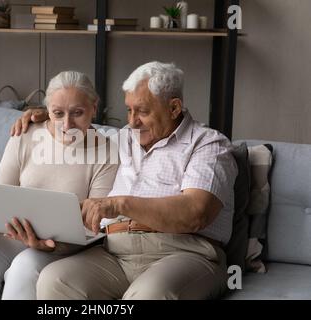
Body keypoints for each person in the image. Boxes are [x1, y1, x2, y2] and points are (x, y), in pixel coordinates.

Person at [12, 61, 238, 300]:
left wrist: (118, 204)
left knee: (150, 294)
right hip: (114, 252)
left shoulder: (208, 144)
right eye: (129, 110)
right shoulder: (121, 140)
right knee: (55, 281)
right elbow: (76, 133)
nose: (132, 121)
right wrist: (47, 116)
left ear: (174, 108)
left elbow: (196, 212)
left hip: (183, 252)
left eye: (142, 111)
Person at [0, 71, 118, 300]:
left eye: (77, 113)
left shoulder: (107, 151)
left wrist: (48, 245)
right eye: (58, 113)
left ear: (94, 107)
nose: (67, 124)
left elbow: (93, 223)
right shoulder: (26, 133)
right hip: (15, 232)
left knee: (25, 268)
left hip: (65, 246)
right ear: (47, 109)